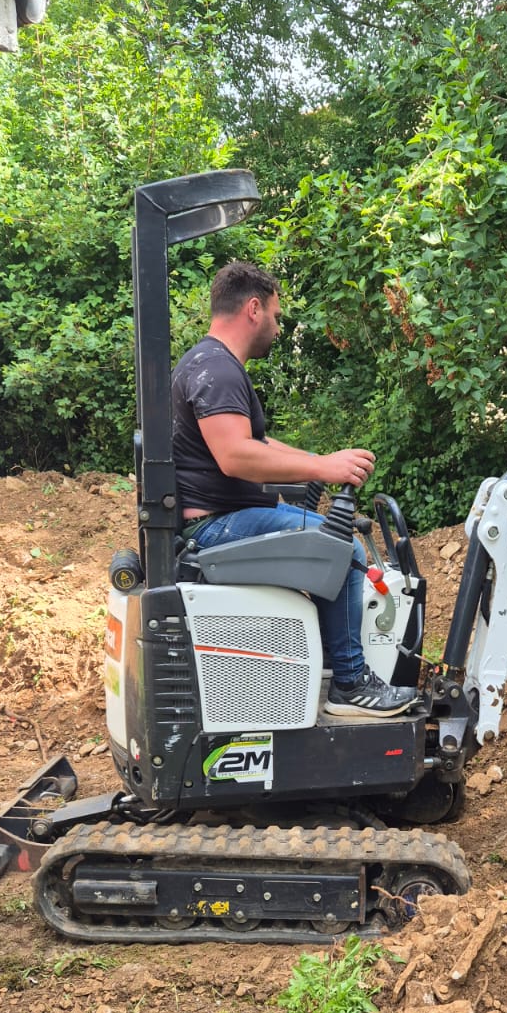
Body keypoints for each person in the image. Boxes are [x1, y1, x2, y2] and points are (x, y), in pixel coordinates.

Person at [172, 261, 419, 719]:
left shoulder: (208, 363)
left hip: (218, 519)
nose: (278, 327)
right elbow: (235, 455)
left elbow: (258, 444)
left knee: (333, 543)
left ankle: (324, 664)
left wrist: (314, 464)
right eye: (276, 315)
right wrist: (323, 466)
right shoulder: (217, 370)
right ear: (253, 308)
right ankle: (350, 683)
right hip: (215, 526)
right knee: (341, 550)